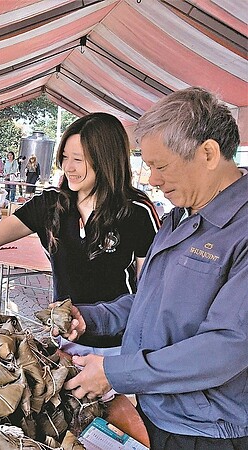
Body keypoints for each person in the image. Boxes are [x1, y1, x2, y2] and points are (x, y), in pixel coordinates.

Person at [61, 88, 248, 449]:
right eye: (148, 166)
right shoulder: (178, 218)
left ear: (208, 153)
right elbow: (149, 300)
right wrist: (91, 319)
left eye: (160, 166)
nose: (152, 180)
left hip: (206, 431)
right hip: (155, 410)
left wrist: (115, 373)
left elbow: (228, 347)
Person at [0, 112, 161, 349]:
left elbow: (151, 290)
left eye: (78, 159)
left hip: (118, 345)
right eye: (64, 157)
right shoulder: (52, 204)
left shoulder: (137, 212)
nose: (68, 167)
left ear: (105, 159)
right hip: (65, 340)